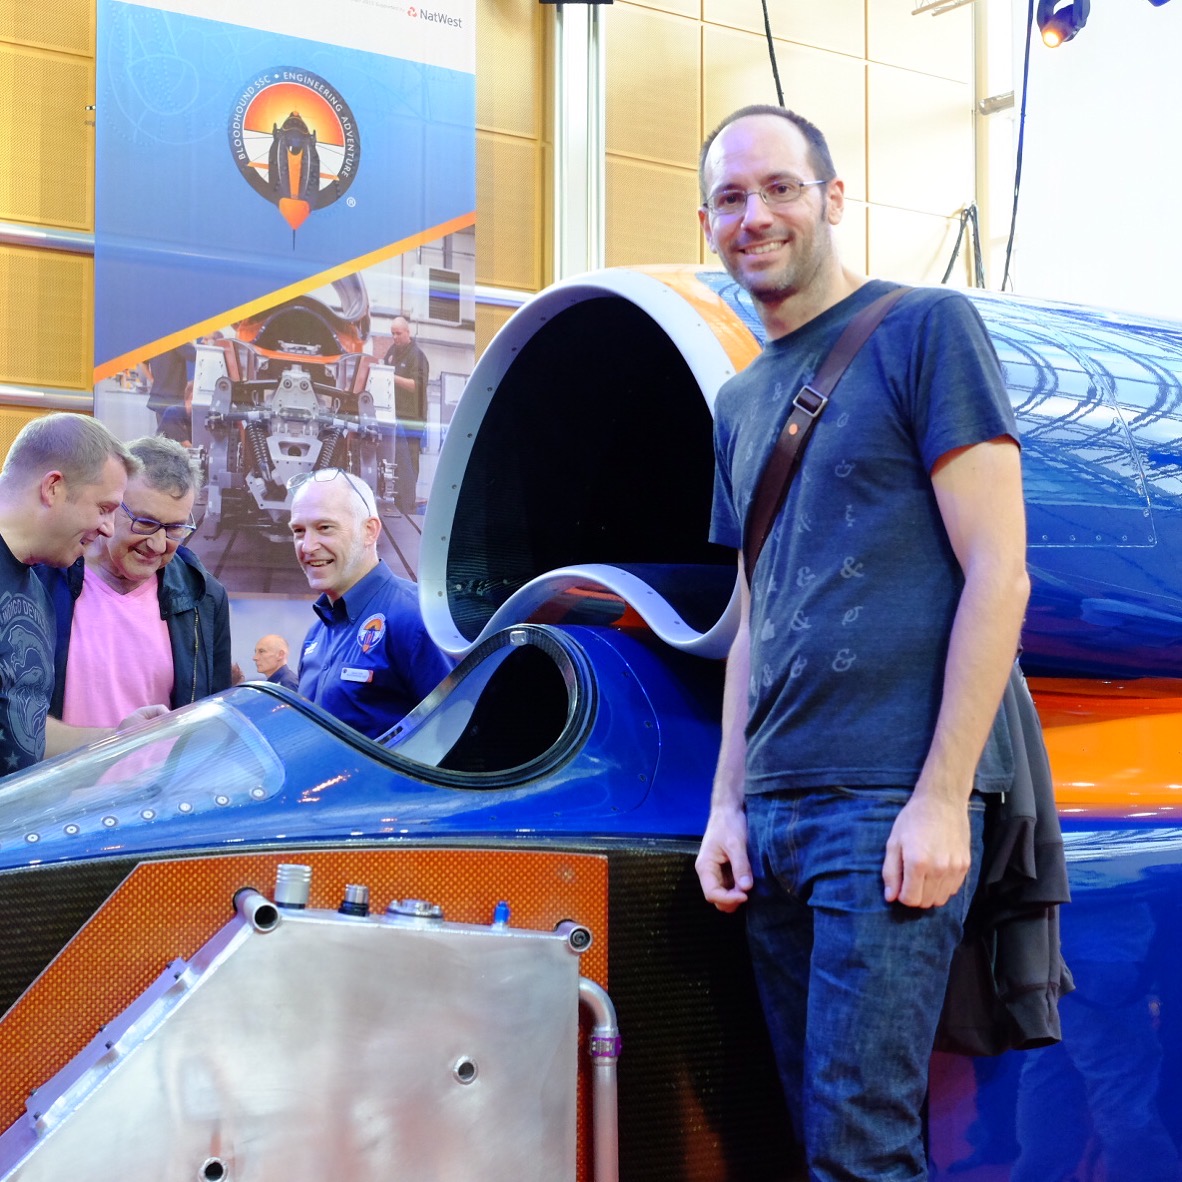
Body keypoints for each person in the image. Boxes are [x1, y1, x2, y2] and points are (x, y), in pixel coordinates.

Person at [692, 105, 1030, 1180]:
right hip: (776, 818)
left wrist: (942, 797)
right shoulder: (739, 401)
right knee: (817, 1142)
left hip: (884, 805)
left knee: (859, 1150)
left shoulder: (926, 329)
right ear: (708, 223)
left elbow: (1000, 572)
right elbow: (755, 618)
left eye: (779, 188)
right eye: (730, 198)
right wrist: (727, 806)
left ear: (832, 198)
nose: (755, 215)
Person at [0, 413, 164, 775]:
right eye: (104, 509)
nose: (108, 529)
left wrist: (119, 737)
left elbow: (25, 730)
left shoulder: (36, 591)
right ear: (53, 488)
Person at [38, 435, 232, 727]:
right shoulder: (44, 573)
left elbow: (213, 719)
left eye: (175, 528)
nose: (157, 544)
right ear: (110, 507)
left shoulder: (203, 597)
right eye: (145, 523)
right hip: (59, 758)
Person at [288, 467, 450, 736]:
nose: (307, 546)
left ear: (369, 531)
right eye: (298, 531)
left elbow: (458, 736)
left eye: (324, 527)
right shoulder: (316, 635)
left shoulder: (417, 620)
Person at [382, 315, 429, 514]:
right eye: (392, 333)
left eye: (398, 333)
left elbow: (416, 386)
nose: (395, 337)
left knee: (409, 462)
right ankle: (396, 500)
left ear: (407, 333)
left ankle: (407, 506)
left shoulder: (417, 356)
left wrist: (392, 377)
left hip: (412, 419)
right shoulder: (392, 352)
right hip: (395, 416)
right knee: (395, 461)